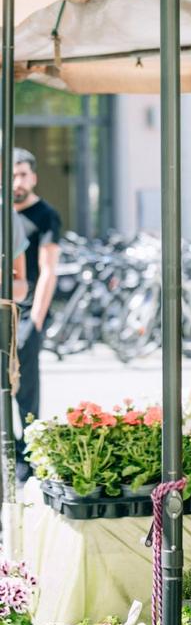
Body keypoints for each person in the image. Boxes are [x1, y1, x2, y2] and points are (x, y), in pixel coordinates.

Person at [12, 148, 58, 482]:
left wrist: (36, 320)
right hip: (7, 307)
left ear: (34, 177)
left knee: (26, 388)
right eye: (12, 175)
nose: (18, 181)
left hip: (28, 312)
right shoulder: (4, 212)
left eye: (23, 175)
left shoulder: (45, 215)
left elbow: (47, 269)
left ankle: (27, 455)